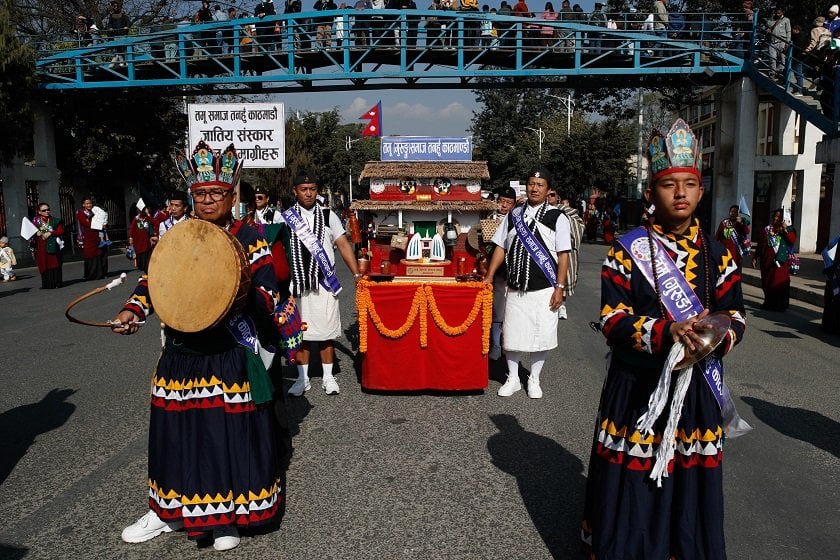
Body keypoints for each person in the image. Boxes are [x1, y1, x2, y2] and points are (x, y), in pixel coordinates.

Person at [581, 119, 747, 559]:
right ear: (651, 193)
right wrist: (664, 331)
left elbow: (736, 316)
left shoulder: (720, 255)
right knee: (633, 480)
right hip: (638, 388)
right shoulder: (626, 249)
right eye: (669, 185)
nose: (680, 193)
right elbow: (612, 317)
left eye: (689, 184)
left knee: (690, 481)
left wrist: (712, 337)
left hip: (696, 391)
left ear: (700, 190)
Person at [113, 141, 288, 552]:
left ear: (232, 195)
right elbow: (154, 283)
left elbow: (269, 292)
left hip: (226, 354)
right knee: (174, 434)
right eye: (201, 194)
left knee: (220, 435)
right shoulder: (177, 235)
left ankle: (225, 518)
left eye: (217, 193)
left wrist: (234, 292)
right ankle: (166, 512)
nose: (208, 200)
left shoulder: (250, 237)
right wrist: (133, 311)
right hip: (179, 354)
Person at [483, 166, 571, 399]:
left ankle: (534, 378)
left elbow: (564, 254)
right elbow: (501, 246)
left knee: (541, 336)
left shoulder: (557, 217)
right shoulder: (514, 215)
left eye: (540, 185)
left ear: (548, 189)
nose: (534, 188)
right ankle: (512, 378)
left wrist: (560, 287)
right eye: (531, 183)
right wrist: (490, 275)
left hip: (545, 288)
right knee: (511, 336)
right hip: (515, 286)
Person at [284, 171, 362, 397]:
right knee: (300, 334)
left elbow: (343, 245)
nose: (308, 193)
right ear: (295, 191)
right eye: (303, 189)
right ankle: (302, 379)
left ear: (317, 191)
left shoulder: (329, 216)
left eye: (312, 189)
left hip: (325, 284)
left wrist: (356, 274)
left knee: (326, 333)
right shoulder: (285, 218)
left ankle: (328, 377)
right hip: (297, 286)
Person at [488, 186, 517, 360]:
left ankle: (506, 344)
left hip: (511, 272)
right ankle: (496, 345)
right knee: (497, 309)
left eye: (508, 203)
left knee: (510, 310)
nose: (504, 205)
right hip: (494, 270)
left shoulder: (517, 219)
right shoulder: (488, 217)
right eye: (502, 201)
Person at [753, 208, 797, 311]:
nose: (775, 218)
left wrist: (785, 230)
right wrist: (755, 257)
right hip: (766, 261)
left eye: (778, 217)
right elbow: (760, 244)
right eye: (775, 216)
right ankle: (768, 303)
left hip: (779, 262)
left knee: (779, 282)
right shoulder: (767, 229)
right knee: (767, 282)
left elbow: (792, 241)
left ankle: (780, 305)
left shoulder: (788, 230)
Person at [31, 203, 65, 289]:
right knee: (44, 263)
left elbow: (61, 231)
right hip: (42, 246)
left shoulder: (55, 220)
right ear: (39, 212)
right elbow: (29, 233)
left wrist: (50, 233)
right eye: (44, 210)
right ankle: (47, 284)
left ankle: (57, 283)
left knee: (55, 263)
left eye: (48, 209)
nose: (47, 212)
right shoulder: (36, 221)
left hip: (53, 245)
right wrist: (36, 233)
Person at [77, 197, 106, 281]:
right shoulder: (81, 213)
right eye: (87, 203)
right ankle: (90, 274)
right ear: (83, 205)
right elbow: (86, 223)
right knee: (90, 255)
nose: (89, 205)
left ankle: (99, 274)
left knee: (98, 253)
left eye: (90, 203)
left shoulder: (95, 211)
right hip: (88, 236)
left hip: (96, 235)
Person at [715, 204, 751, 268]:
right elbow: (717, 236)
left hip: (736, 253)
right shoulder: (724, 223)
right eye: (731, 211)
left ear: (738, 214)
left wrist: (742, 223)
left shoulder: (740, 224)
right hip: (724, 252)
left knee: (735, 273)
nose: (732, 213)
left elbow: (747, 231)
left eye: (735, 212)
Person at [765, 6, 791, 78]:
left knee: (782, 60)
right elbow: (768, 24)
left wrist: (787, 42)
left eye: (779, 13)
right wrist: (773, 19)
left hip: (782, 41)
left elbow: (788, 31)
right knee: (772, 58)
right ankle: (772, 73)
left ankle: (779, 73)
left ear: (782, 13)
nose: (777, 14)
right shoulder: (772, 20)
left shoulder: (786, 20)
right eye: (776, 13)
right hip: (772, 41)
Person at [822, 234, 840, 334]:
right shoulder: (838, 238)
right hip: (835, 274)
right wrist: (830, 267)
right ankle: (830, 324)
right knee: (832, 299)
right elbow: (825, 252)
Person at [128, 206, 155, 273]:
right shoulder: (136, 219)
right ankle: (140, 266)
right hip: (138, 241)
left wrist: (148, 214)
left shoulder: (147, 218)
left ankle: (146, 267)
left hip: (146, 241)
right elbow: (132, 228)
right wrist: (131, 237)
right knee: (140, 253)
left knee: (146, 254)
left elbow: (154, 222)